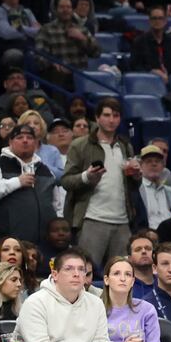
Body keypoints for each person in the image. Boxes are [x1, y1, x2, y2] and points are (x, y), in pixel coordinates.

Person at [61, 97, 142, 266]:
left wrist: (135, 176)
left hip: (122, 221)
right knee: (84, 273)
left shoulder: (125, 146)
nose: (111, 120)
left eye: (116, 115)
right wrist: (86, 177)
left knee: (123, 276)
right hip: (92, 219)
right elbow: (66, 180)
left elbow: (132, 187)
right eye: (106, 115)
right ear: (97, 118)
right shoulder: (80, 145)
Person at [0, 124, 57, 245]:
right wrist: (17, 182)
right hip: (8, 242)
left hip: (43, 242)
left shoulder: (45, 170)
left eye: (29, 137)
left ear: (35, 142)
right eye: (19, 137)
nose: (25, 140)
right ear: (10, 142)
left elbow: (56, 203)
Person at [129, 5, 171, 82]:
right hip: (147, 81)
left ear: (165, 21)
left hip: (170, 81)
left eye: (160, 18)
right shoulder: (139, 41)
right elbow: (134, 65)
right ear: (149, 21)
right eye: (154, 18)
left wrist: (169, 76)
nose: (157, 21)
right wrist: (151, 72)